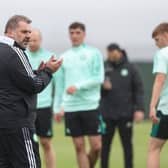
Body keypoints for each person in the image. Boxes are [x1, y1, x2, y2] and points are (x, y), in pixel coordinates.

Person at [0, 15, 62, 168]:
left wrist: (36, 72)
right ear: (10, 31)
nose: (28, 36)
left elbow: (13, 78)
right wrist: (48, 71)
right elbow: (35, 85)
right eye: (24, 32)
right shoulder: (16, 51)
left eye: (29, 32)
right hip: (18, 124)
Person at [54, 22, 104, 168]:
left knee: (96, 147)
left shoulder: (94, 53)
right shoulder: (63, 57)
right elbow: (60, 87)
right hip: (71, 107)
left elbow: (98, 78)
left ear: (84, 34)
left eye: (77, 32)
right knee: (79, 147)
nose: (74, 36)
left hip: (90, 105)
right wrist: (58, 108)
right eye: (72, 33)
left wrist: (78, 86)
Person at [100, 43, 144, 168]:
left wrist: (139, 109)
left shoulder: (131, 68)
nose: (110, 56)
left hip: (125, 114)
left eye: (112, 52)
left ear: (119, 52)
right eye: (108, 53)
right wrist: (103, 87)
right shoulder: (104, 68)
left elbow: (138, 90)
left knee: (127, 146)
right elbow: (97, 92)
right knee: (105, 147)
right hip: (107, 115)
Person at [26, 29, 56, 168]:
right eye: (30, 40)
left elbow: (58, 84)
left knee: (46, 143)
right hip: (26, 106)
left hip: (44, 106)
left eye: (35, 40)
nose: (31, 43)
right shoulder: (22, 56)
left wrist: (57, 106)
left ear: (41, 40)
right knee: (27, 143)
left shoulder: (50, 57)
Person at [147, 23, 168, 168]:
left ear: (166, 35)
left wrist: (152, 106)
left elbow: (160, 78)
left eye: (157, 39)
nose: (156, 44)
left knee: (154, 149)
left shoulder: (163, 54)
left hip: (166, 110)